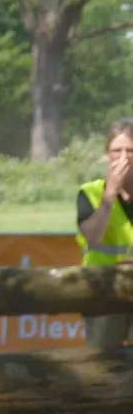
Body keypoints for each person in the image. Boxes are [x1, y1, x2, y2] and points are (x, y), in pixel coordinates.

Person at [77, 117, 133, 351]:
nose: (123, 157)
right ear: (107, 155)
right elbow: (93, 236)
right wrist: (109, 196)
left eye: (130, 150)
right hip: (102, 291)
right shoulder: (90, 192)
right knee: (101, 364)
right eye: (116, 150)